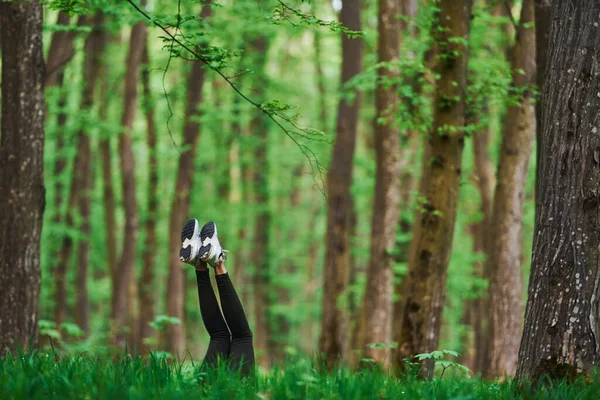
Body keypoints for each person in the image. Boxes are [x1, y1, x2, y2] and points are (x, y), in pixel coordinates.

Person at [179, 219, 255, 376]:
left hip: (237, 390)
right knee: (219, 336)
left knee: (239, 337)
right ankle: (199, 264)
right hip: (203, 390)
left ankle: (216, 262)